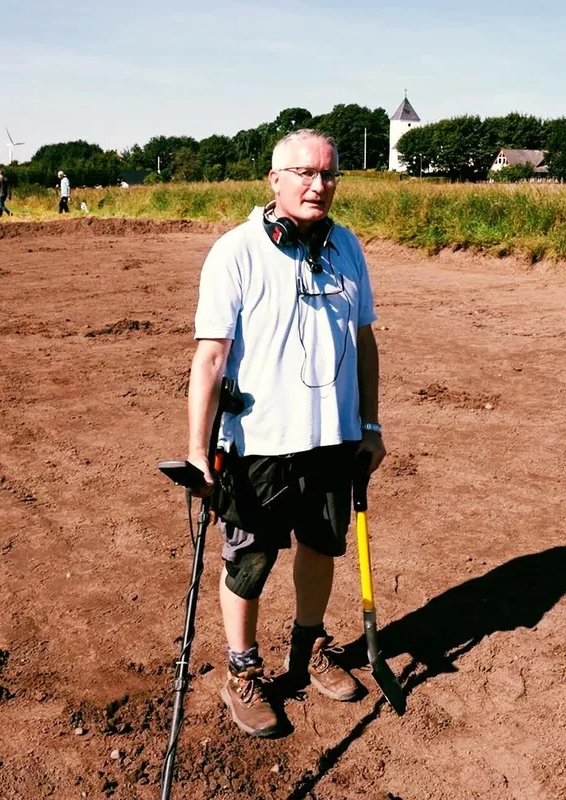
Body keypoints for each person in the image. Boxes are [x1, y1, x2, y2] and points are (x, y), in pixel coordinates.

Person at [186, 129, 386, 737]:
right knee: (249, 559)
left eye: (328, 175)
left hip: (333, 437)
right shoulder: (236, 252)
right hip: (258, 444)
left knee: (322, 548)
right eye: (304, 173)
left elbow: (365, 339)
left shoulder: (347, 247)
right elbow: (211, 356)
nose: (318, 185)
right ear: (274, 180)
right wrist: (198, 449)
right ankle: (243, 672)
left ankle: (309, 648)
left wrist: (370, 425)